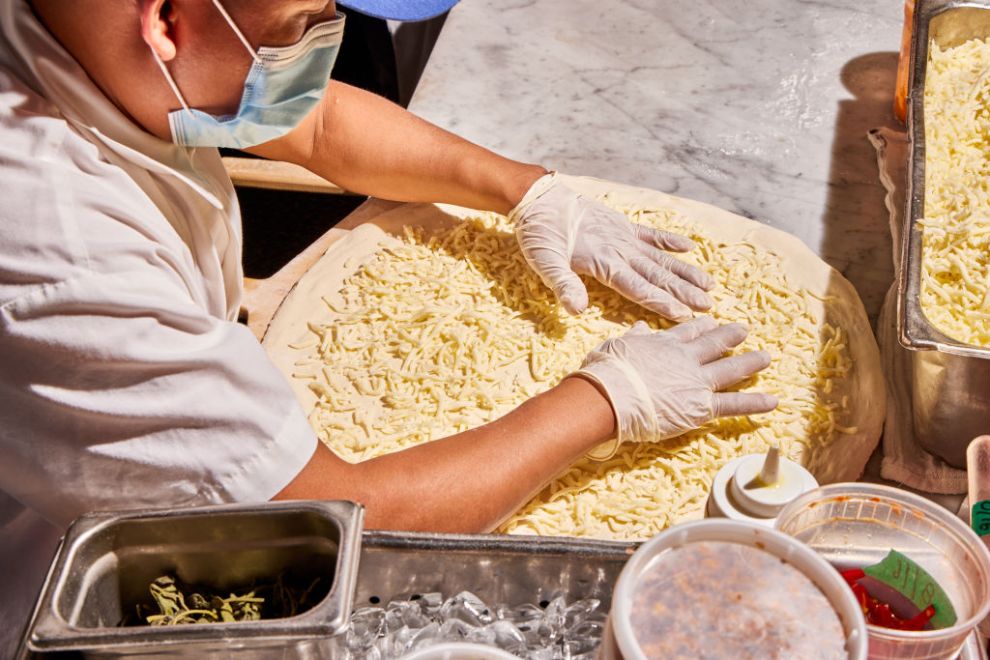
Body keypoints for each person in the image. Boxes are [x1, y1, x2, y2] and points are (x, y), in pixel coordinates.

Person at [0, 0, 778, 652]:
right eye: (301, 22)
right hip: (80, 590)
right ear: (165, 18)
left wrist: (527, 192)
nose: (321, 39)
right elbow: (324, 529)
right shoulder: (62, 251)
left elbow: (309, 122)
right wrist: (608, 398)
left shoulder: (95, 44)